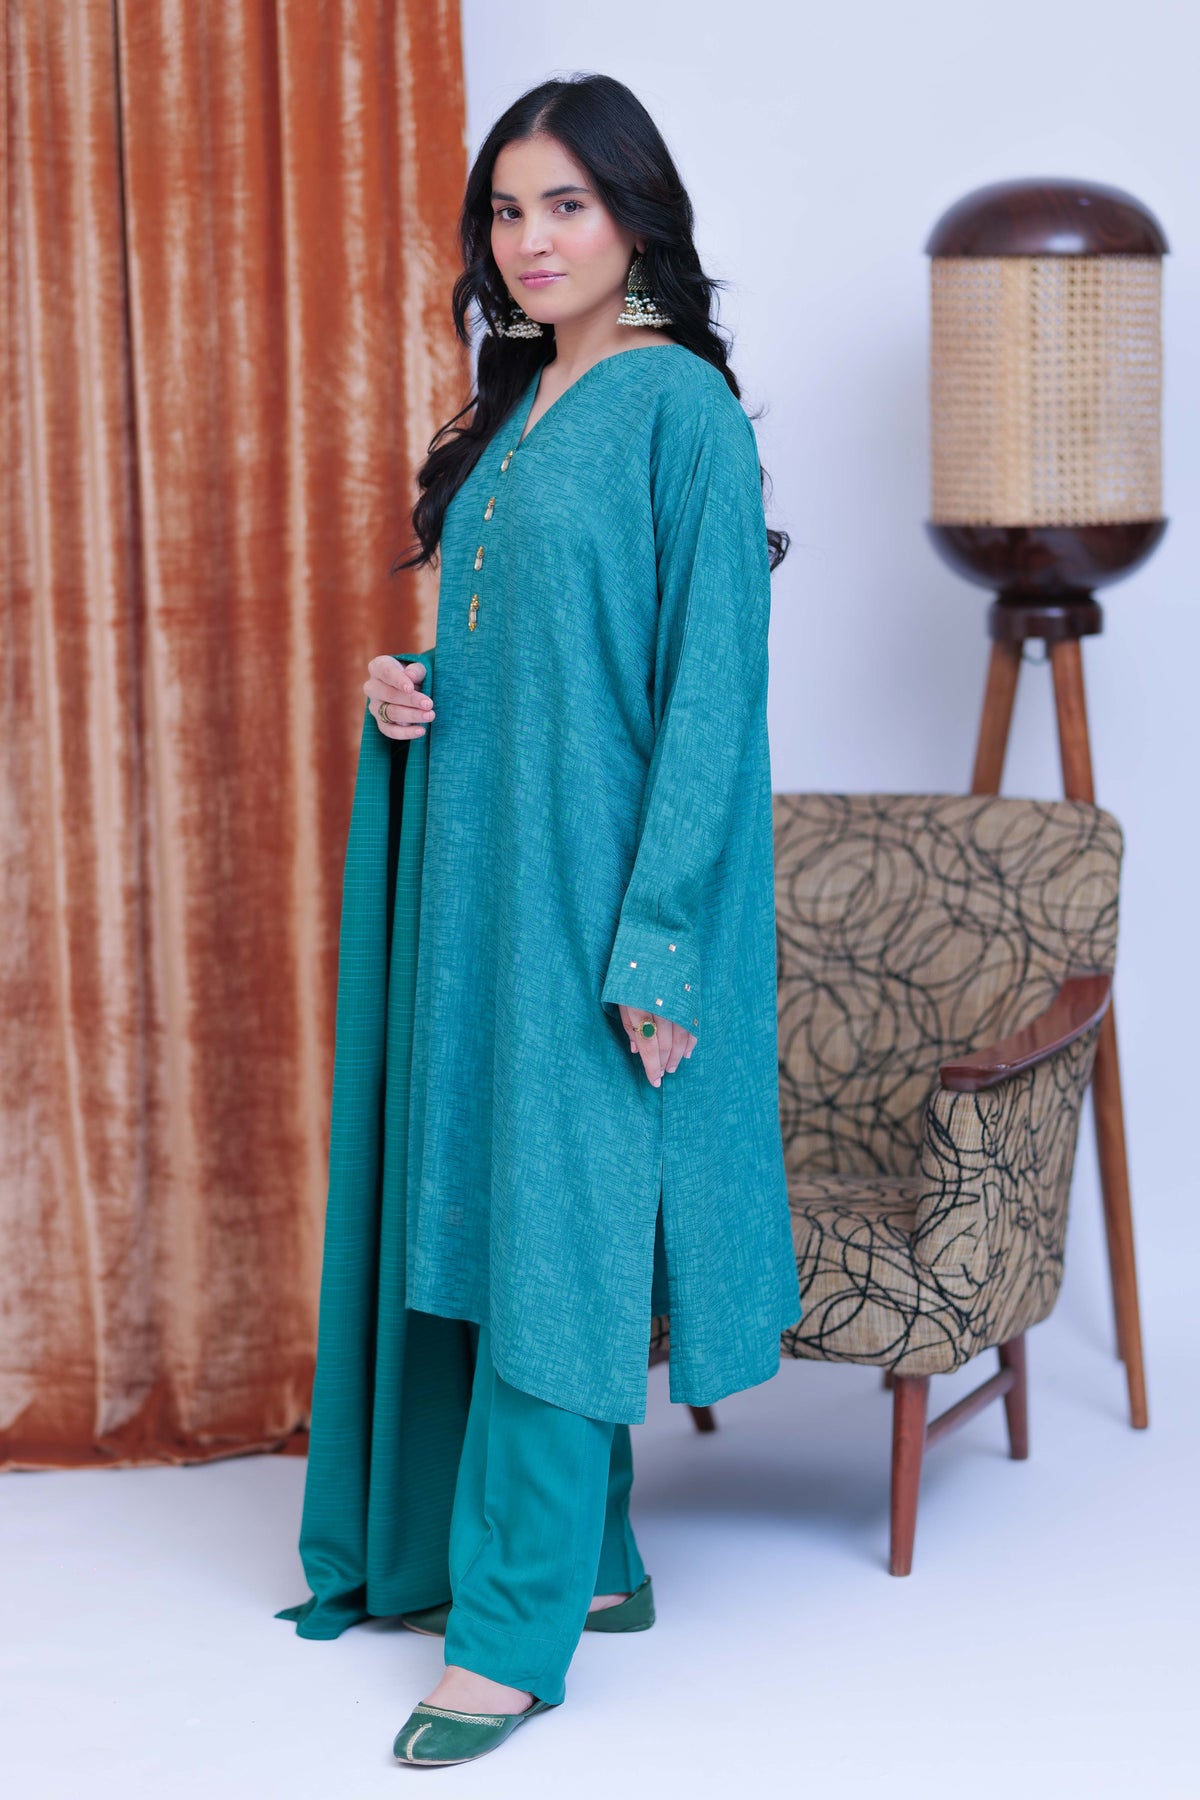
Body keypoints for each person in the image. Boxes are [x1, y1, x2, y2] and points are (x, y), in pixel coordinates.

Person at [276, 71, 802, 1768]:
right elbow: (530, 656)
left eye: (565, 203)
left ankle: (507, 1638)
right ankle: (600, 1563)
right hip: (487, 896)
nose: (530, 239)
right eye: (507, 211)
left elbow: (710, 695)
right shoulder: (519, 405)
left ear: (636, 214)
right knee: (503, 1211)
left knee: (562, 1241)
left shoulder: (681, 410)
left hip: (602, 911)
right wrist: (411, 686)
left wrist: (661, 943)